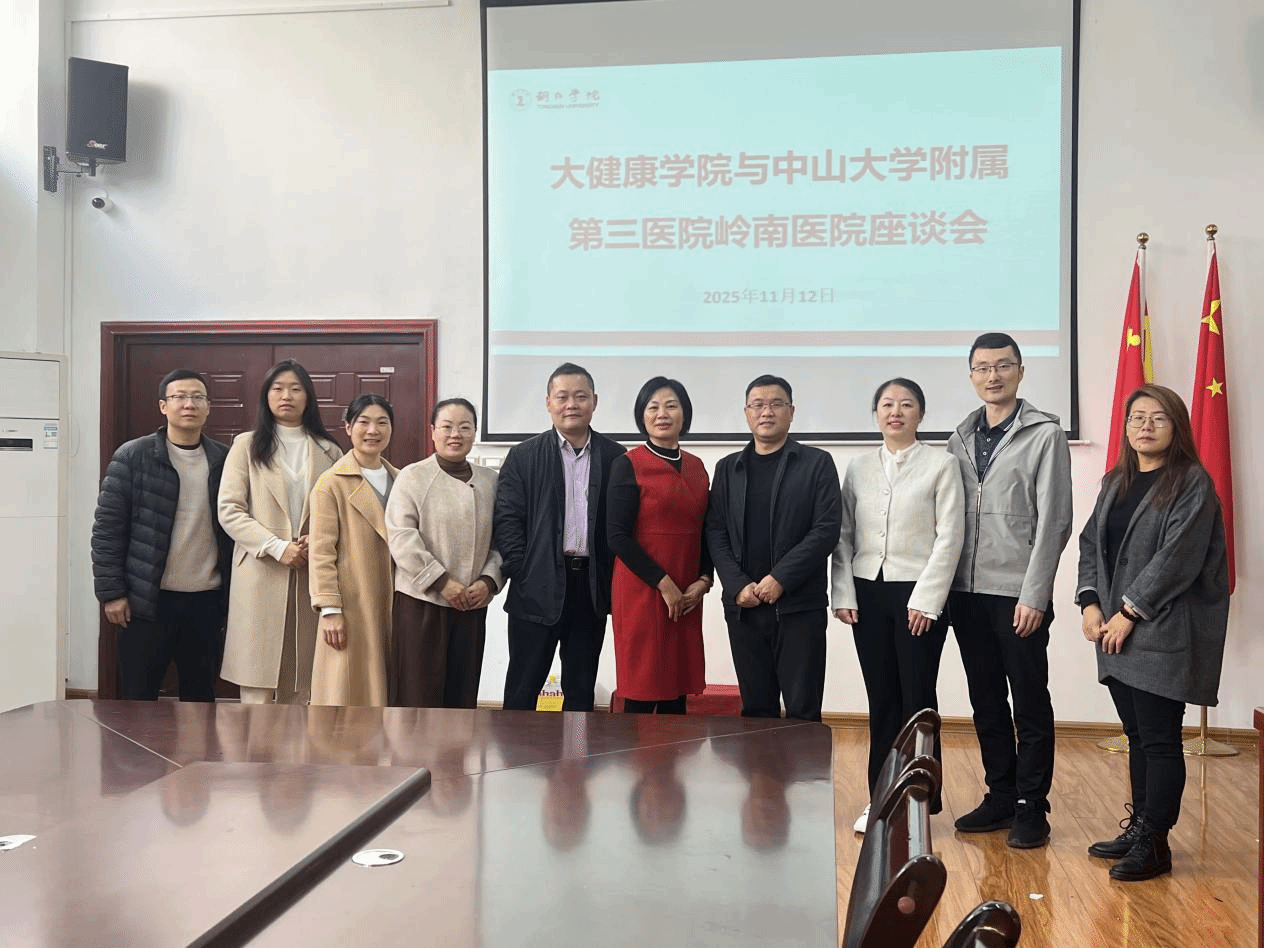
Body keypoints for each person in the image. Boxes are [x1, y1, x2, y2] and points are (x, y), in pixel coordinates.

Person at [1076, 384, 1229, 882]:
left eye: (1158, 418)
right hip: (1115, 630)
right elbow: (1090, 544)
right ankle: (1140, 827)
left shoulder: (1192, 483)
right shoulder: (1115, 481)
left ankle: (1156, 843)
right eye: (1137, 417)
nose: (1145, 426)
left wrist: (1128, 612)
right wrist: (1090, 602)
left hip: (1161, 630)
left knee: (1160, 738)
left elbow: (1176, 560)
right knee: (1137, 735)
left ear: (1176, 426)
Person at [946, 332, 1072, 849]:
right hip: (965, 593)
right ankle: (1000, 794)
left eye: (1002, 365)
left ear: (1020, 371)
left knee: (1029, 700)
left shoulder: (1045, 434)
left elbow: (1055, 520)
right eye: (982, 367)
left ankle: (1031, 806)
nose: (992, 375)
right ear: (971, 375)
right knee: (985, 699)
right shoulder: (958, 438)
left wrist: (1035, 595)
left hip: (1018, 593)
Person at [831, 378, 964, 832]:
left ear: (920, 414)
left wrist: (927, 600)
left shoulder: (942, 464)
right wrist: (843, 593)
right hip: (868, 593)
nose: (896, 412)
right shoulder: (858, 467)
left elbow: (950, 536)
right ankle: (881, 799)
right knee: (882, 700)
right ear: (876, 414)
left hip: (918, 596)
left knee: (917, 701)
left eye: (906, 404)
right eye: (887, 404)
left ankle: (919, 802)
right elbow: (843, 535)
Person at [91, 368, 232, 701]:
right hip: (146, 602)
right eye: (179, 397)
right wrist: (111, 593)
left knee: (200, 697)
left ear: (208, 407)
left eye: (197, 397)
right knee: (138, 698)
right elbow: (107, 530)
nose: (189, 404)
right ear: (163, 406)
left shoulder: (225, 460)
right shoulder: (133, 456)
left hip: (206, 600)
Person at [707, 374, 841, 722]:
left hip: (799, 608)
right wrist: (736, 585)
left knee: (803, 711)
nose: (767, 412)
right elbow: (715, 532)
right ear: (747, 413)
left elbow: (826, 529)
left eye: (776, 404)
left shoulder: (816, 463)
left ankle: (802, 765)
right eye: (758, 405)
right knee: (756, 711)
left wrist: (780, 578)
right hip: (744, 609)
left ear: (791, 412)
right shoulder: (727, 469)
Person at [495, 363, 626, 712]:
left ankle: (576, 746)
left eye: (580, 396)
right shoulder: (523, 456)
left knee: (580, 692)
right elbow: (507, 520)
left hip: (590, 588)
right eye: (562, 396)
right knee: (523, 688)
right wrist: (521, 568)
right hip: (535, 586)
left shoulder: (616, 457)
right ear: (548, 402)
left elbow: (623, 525)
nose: (571, 404)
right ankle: (516, 751)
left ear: (594, 401)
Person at [218, 359, 343, 705]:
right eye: (278, 388)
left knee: (302, 678)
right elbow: (229, 509)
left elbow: (339, 512)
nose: (286, 396)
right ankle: (252, 743)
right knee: (256, 678)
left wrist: (316, 540)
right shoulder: (246, 445)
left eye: (295, 389)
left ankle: (297, 743)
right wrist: (275, 546)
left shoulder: (329, 449)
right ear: (266, 396)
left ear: (308, 397)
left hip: (310, 569)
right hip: (261, 570)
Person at [386, 397, 503, 708]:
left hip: (471, 604)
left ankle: (457, 745)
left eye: (464, 427)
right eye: (447, 427)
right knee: (417, 696)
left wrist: (488, 582)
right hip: (422, 601)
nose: (455, 434)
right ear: (433, 431)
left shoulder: (491, 481)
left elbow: (502, 540)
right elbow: (401, 536)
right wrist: (441, 582)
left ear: (474, 432)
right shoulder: (413, 476)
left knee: (461, 696)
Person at [607, 377, 712, 714]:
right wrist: (664, 584)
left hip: (687, 589)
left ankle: (674, 751)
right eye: (652, 407)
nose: (662, 414)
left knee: (676, 688)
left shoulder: (697, 467)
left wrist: (704, 581)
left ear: (685, 414)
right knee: (642, 686)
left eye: (671, 406)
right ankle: (635, 751)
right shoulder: (628, 464)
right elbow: (617, 536)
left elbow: (707, 529)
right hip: (642, 588)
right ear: (642, 415)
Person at [308, 395, 400, 707]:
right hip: (353, 601)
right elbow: (321, 551)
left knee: (390, 687)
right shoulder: (331, 483)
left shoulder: (402, 480)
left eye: (382, 422)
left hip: (396, 600)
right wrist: (330, 609)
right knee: (349, 691)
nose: (373, 430)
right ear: (348, 427)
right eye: (364, 422)